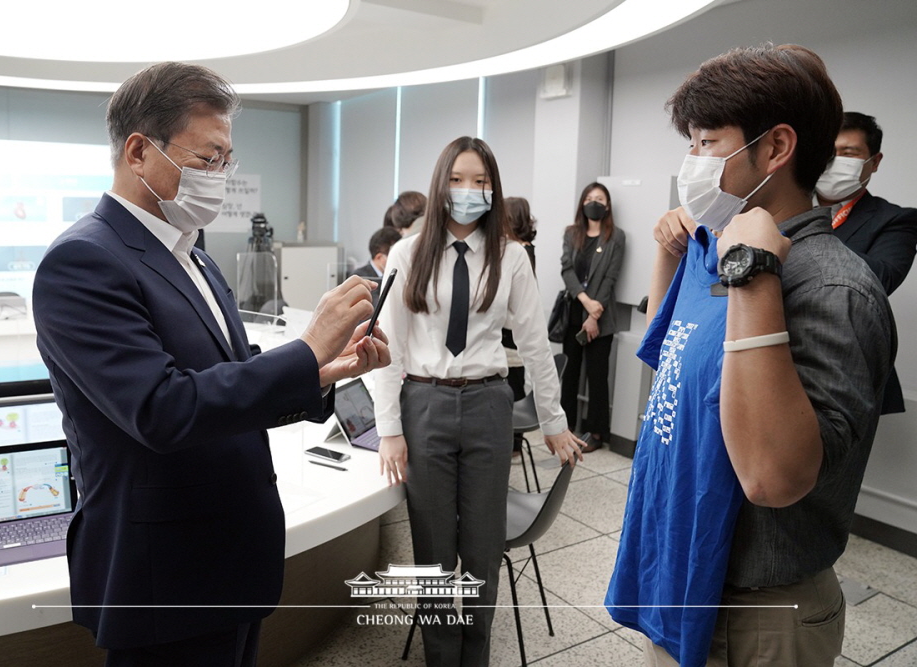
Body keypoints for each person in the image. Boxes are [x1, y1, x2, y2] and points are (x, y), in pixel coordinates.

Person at [32, 62, 390, 666]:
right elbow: (163, 408)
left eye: (227, 160)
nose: (221, 177)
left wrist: (323, 372)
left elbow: (227, 377)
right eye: (207, 158)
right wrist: (307, 347)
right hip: (165, 576)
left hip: (229, 559)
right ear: (140, 152)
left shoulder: (194, 256)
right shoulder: (83, 263)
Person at [605, 45, 895, 666]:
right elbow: (672, 370)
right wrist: (673, 253)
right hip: (680, 574)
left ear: (775, 148)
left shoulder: (828, 287)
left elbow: (772, 476)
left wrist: (755, 277)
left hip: (756, 611)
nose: (692, 162)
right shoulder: (717, 247)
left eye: (708, 142)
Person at [373, 136, 584, 666]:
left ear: (494, 190)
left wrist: (553, 421)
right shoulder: (406, 253)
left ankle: (476, 658)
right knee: (434, 550)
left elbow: (536, 343)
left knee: (483, 550)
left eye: (482, 182)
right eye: (459, 179)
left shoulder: (509, 256)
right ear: (441, 185)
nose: (469, 191)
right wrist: (389, 429)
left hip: (490, 405)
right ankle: (442, 659)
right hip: (424, 404)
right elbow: (387, 349)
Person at [815, 111, 917, 414]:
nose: (834, 161)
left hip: (846, 373)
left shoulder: (896, 220)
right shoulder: (779, 206)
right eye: (828, 152)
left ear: (874, 161)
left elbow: (880, 278)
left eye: (849, 153)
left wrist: (807, 231)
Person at [558, 183, 626, 450]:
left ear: (607, 206)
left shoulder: (616, 236)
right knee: (570, 375)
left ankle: (596, 434)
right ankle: (565, 428)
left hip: (601, 317)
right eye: (589, 198)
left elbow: (611, 277)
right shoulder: (571, 234)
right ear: (582, 203)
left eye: (599, 199)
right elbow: (566, 269)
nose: (594, 202)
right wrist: (586, 303)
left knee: (598, 377)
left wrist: (594, 315)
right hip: (575, 311)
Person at [502, 196, 537, 403]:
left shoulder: (519, 251)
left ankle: (513, 435)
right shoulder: (525, 249)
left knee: (512, 391)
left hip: (511, 334)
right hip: (512, 333)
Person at [350, 226, 401, 300]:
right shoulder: (360, 276)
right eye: (394, 256)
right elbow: (375, 305)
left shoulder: (393, 274)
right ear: (379, 257)